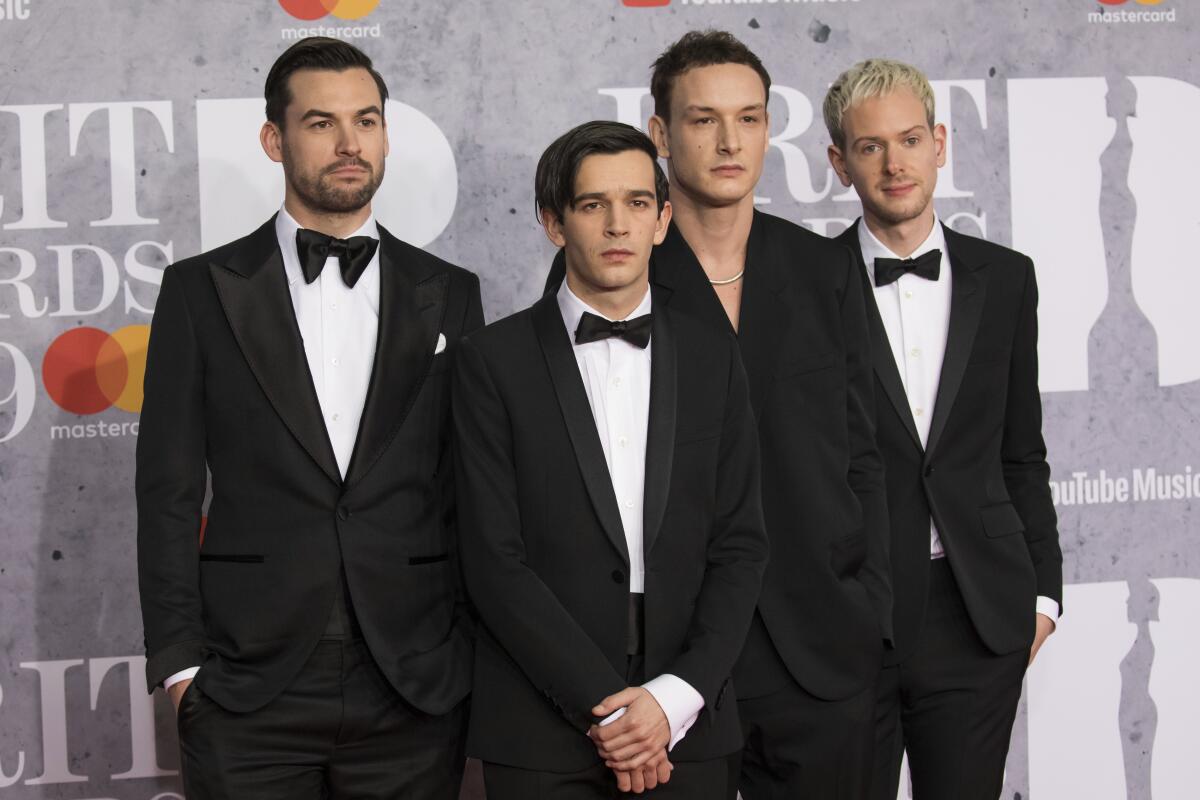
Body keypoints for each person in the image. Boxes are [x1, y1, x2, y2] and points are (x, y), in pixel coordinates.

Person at [546, 30, 891, 799]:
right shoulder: (609, 264)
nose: (731, 141)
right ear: (661, 135)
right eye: (703, 120)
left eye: (751, 118)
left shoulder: (823, 269)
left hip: (822, 652)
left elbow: (864, 456)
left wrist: (872, 613)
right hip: (671, 664)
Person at [136, 36, 481, 798]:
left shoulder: (450, 292)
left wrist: (460, 654)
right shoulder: (200, 291)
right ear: (275, 138)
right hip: (246, 683)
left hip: (413, 681)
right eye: (322, 123)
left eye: (367, 120)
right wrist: (181, 668)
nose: (350, 143)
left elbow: (468, 487)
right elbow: (167, 491)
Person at [454, 120, 768, 799]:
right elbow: (491, 559)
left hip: (690, 721)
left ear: (661, 220)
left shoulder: (715, 358)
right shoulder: (490, 362)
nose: (617, 225)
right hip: (539, 723)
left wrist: (672, 700)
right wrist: (615, 709)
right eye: (593, 205)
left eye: (635, 204)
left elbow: (741, 544)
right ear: (553, 222)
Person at [823, 58, 1062, 800]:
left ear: (940, 142)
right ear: (839, 162)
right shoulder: (801, 285)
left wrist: (1043, 598)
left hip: (977, 615)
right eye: (870, 147)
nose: (895, 164)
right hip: (847, 618)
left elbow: (1022, 451)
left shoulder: (1008, 278)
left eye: (910, 139)